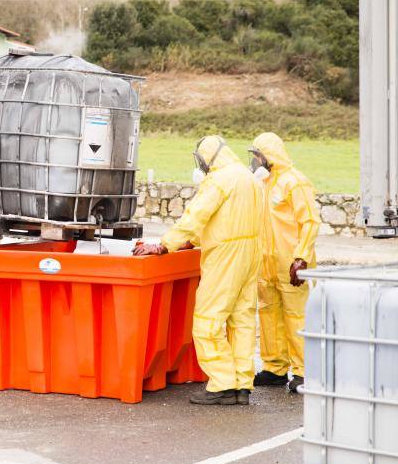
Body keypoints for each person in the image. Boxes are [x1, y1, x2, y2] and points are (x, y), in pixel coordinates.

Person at [134, 135, 261, 406]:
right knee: (242, 320)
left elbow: (196, 216)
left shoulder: (219, 180)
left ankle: (222, 384)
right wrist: (195, 240)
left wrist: (166, 244)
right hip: (251, 253)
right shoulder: (248, 178)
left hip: (225, 256)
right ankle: (241, 384)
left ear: (207, 157)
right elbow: (229, 219)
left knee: (208, 319)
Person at [249, 132, 320, 394]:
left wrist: (301, 257)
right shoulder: (264, 184)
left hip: (291, 265)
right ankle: (274, 368)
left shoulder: (295, 182)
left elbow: (310, 222)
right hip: (266, 265)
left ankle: (304, 371)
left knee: (296, 317)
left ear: (269, 156)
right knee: (269, 315)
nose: (255, 161)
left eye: (257, 155)